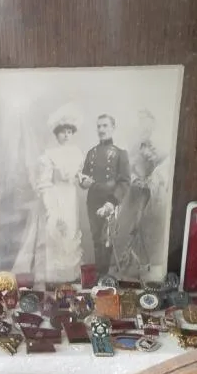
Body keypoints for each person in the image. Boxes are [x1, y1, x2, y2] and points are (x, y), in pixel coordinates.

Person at [12, 105, 85, 283]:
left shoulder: (77, 153)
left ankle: (69, 277)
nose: (66, 135)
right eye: (62, 132)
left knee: (70, 233)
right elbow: (44, 182)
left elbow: (79, 175)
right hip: (56, 195)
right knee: (55, 231)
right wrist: (50, 205)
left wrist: (82, 179)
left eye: (69, 132)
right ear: (56, 134)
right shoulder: (49, 154)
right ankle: (53, 277)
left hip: (71, 197)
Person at [111, 109, 170, 281]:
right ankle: (130, 264)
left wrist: (151, 179)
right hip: (134, 193)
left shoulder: (156, 147)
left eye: (149, 127)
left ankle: (144, 265)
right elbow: (126, 169)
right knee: (131, 227)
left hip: (149, 194)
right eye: (143, 126)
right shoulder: (133, 147)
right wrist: (136, 178)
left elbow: (162, 165)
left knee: (144, 227)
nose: (146, 130)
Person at [79, 114, 131, 277]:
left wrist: (111, 203)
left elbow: (125, 182)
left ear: (113, 128)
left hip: (110, 200)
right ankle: (100, 276)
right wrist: (83, 182)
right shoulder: (91, 152)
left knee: (106, 239)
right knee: (96, 239)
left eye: (105, 126)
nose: (101, 129)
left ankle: (103, 276)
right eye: (99, 126)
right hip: (93, 201)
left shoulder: (120, 153)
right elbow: (84, 177)